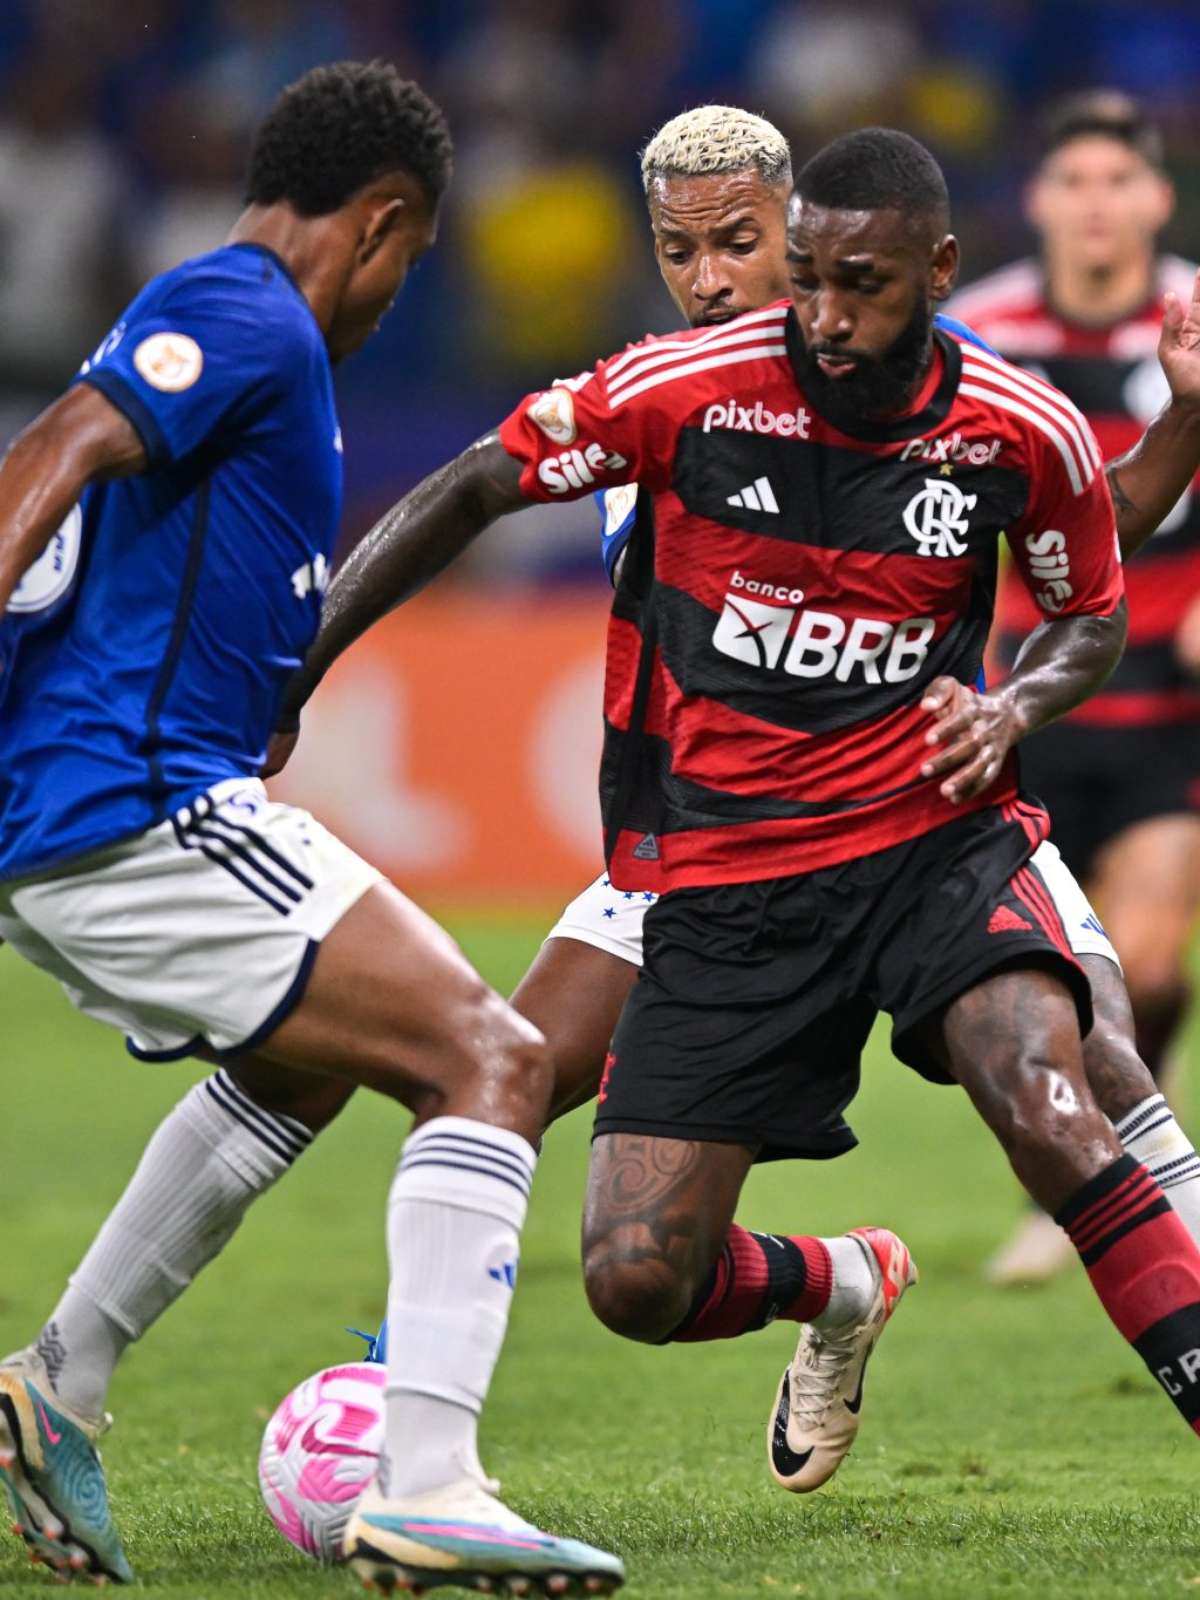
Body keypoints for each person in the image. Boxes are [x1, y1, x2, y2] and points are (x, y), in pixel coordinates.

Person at [273, 127, 1200, 1474]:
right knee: (636, 1278)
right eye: (806, 278)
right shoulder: (682, 390)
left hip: (932, 841)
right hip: (718, 872)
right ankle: (842, 1279)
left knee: (1061, 1091)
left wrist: (1008, 706)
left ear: (936, 269)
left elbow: (1085, 592)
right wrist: (296, 664)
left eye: (859, 284)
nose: (822, 317)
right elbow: (478, 481)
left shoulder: (1013, 420)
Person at [0, 61, 623, 1597]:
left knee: (311, 1058)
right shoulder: (251, 310)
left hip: (116, 789)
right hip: (128, 801)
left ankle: (54, 1383)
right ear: (389, 219)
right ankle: (433, 1484)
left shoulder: (232, 321)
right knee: (492, 1056)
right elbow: (56, 448)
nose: (406, 290)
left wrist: (268, 676)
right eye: (413, 257)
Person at [950, 91, 1200, 1285]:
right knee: (1054, 983)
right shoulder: (973, 328)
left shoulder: (1195, 315)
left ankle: (1109, 1184)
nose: (1097, 205)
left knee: (1145, 963)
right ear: (1042, 201)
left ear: (1155, 197)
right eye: (1074, 183)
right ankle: (1089, 1179)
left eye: (1120, 182)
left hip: (1169, 689)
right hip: (1032, 684)